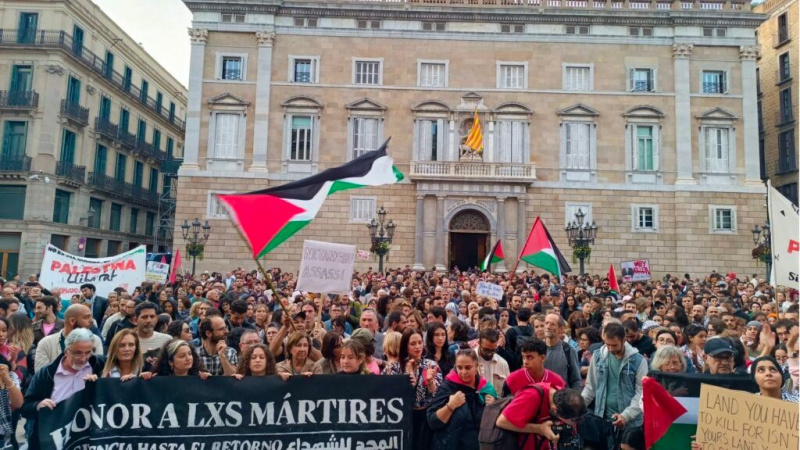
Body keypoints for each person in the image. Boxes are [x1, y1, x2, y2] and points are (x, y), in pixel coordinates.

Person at [21, 329, 106, 449]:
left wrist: (101, 383)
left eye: (88, 353)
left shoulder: (98, 365)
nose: (83, 358)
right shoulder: (47, 373)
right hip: (55, 439)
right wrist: (38, 405)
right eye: (78, 353)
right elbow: (25, 408)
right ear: (66, 351)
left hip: (86, 440)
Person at [383, 329, 442, 450]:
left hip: (425, 417)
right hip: (402, 417)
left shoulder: (431, 365)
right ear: (405, 346)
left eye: (420, 342)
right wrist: (407, 377)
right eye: (413, 343)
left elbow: (437, 394)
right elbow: (387, 392)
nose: (418, 346)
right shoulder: (394, 367)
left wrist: (430, 382)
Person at [427, 348, 497, 450]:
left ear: (477, 366)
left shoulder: (486, 389)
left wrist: (493, 407)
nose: (463, 372)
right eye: (459, 367)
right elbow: (432, 422)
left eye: (468, 367)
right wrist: (450, 406)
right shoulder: (448, 387)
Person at [582, 322, 646, 430]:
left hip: (630, 425)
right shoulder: (597, 356)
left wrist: (625, 416)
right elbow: (590, 388)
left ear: (624, 340)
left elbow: (641, 394)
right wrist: (578, 406)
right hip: (602, 420)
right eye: (608, 344)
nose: (611, 349)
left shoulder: (639, 361)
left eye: (614, 345)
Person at [496, 386, 587, 450]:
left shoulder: (563, 396)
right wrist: (540, 429)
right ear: (555, 410)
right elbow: (501, 422)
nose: (577, 423)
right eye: (575, 420)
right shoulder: (531, 396)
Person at [34, 304, 103, 372]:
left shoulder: (95, 340)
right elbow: (41, 374)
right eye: (86, 317)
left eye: (91, 317)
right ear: (72, 321)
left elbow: (98, 370)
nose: (91, 321)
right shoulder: (46, 343)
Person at [543, 313, 582, 390]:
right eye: (546, 323)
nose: (548, 327)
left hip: (561, 395)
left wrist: (575, 396)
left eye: (552, 324)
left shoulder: (568, 350)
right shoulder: (537, 349)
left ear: (560, 329)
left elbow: (576, 380)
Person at [474, 328, 509, 396]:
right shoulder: (468, 360)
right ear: (479, 343)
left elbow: (507, 391)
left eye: (493, 350)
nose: (489, 354)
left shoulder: (503, 364)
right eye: (486, 350)